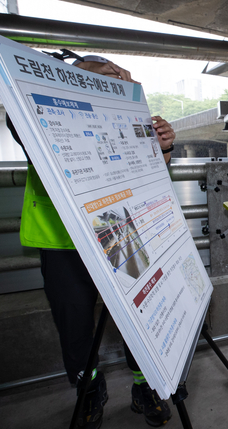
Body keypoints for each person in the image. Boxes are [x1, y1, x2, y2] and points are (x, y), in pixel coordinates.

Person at [7, 53, 174, 428]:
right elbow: (16, 119)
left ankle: (144, 384)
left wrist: (164, 146)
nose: (108, 78)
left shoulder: (121, 115)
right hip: (59, 238)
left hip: (116, 229)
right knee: (75, 326)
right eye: (96, 75)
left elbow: (152, 171)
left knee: (139, 314)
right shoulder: (40, 106)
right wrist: (77, 75)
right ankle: (89, 390)